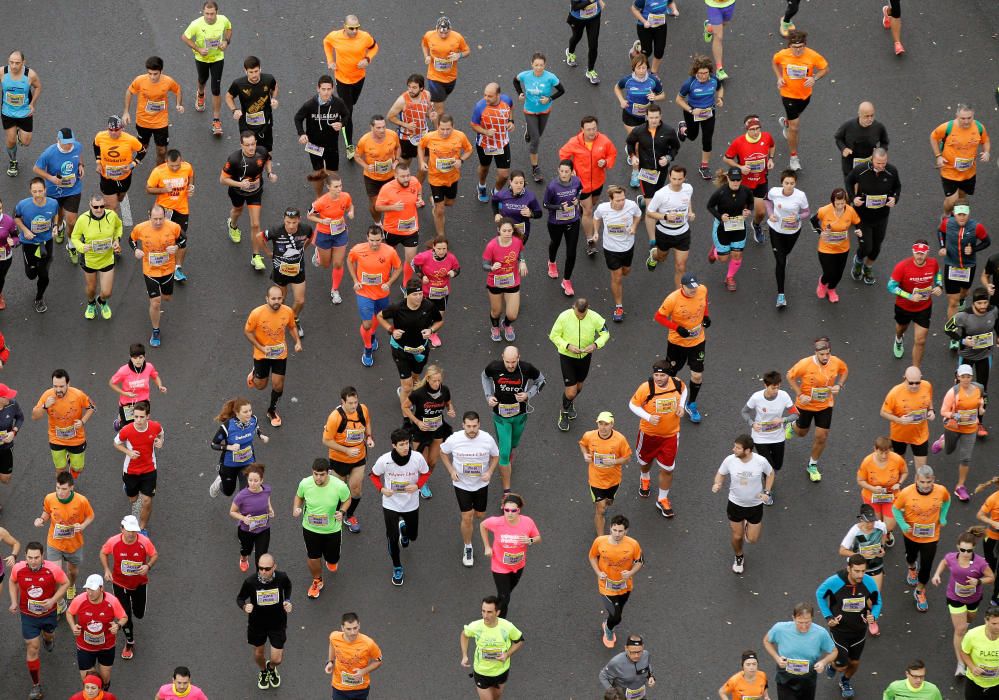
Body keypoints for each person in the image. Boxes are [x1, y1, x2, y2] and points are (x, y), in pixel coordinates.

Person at [8, 541, 69, 700]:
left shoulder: (53, 569)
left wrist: (53, 600)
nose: (33, 561)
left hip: (48, 614)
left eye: (36, 557)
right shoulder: (18, 568)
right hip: (28, 615)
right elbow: (12, 581)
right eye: (30, 557)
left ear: (43, 556)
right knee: (32, 646)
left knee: (48, 635)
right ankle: (36, 685)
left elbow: (65, 583)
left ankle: (48, 638)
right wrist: (14, 601)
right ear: (25, 556)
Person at [815, 554, 882, 698]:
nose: (860, 575)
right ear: (849, 569)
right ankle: (833, 664)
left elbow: (878, 602)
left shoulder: (868, 582)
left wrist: (874, 616)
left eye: (863, 571)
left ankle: (845, 681)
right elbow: (819, 594)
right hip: (839, 631)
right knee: (842, 665)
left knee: (855, 663)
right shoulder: (835, 582)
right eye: (857, 571)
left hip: (859, 632)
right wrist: (828, 616)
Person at [370, 429, 430, 586]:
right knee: (392, 537)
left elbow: (425, 473)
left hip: (411, 503)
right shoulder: (385, 460)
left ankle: (405, 530)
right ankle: (397, 566)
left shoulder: (417, 458)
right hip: (390, 503)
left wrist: (417, 485)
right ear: (394, 445)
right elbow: (373, 475)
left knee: (413, 536)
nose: (405, 447)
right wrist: (382, 490)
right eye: (401, 444)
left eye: (407, 444)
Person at [932, 529, 995, 678]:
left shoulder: (980, 563)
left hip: (973, 599)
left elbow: (991, 577)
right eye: (963, 549)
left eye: (969, 550)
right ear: (957, 547)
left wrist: (978, 581)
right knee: (960, 629)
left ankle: (963, 633)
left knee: (968, 622)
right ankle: (961, 663)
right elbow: (944, 562)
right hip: (954, 597)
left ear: (973, 548)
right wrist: (936, 575)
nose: (965, 553)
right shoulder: (952, 557)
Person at [481, 346, 545, 492]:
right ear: (502, 357)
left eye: (513, 362)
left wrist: (529, 394)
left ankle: (510, 452)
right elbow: (484, 376)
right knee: (503, 453)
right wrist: (488, 395)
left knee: (513, 445)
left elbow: (542, 380)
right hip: (500, 417)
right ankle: (506, 492)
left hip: (520, 416)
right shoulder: (494, 367)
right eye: (507, 362)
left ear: (518, 358)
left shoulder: (526, 368)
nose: (510, 365)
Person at [441, 411, 499, 567]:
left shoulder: (487, 439)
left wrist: (490, 472)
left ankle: (473, 517)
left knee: (480, 515)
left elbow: (495, 456)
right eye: (468, 426)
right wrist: (451, 471)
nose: (472, 429)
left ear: (479, 424)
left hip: (481, 484)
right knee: (467, 517)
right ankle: (468, 547)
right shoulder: (454, 439)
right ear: (463, 425)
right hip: (462, 484)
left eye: (474, 426)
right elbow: (443, 452)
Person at [629, 360, 687, 518]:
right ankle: (645, 477)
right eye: (656, 375)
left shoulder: (676, 383)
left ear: (669, 375)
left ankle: (662, 499)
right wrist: (647, 417)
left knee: (668, 469)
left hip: (671, 435)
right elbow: (633, 405)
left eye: (662, 375)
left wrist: (681, 406)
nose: (659, 378)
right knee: (645, 462)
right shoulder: (646, 388)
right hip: (648, 435)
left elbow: (685, 390)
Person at [786, 337, 849, 482]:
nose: (825, 357)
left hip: (825, 405)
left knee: (822, 436)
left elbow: (844, 371)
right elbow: (790, 376)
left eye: (828, 353)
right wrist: (800, 394)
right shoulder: (805, 364)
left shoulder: (836, 361)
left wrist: (839, 385)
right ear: (815, 353)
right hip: (805, 405)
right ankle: (792, 426)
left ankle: (812, 465)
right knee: (802, 432)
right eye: (822, 355)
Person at [713, 435, 775, 574]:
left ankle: (747, 525)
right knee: (737, 536)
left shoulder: (760, 461)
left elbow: (770, 474)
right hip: (735, 504)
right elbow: (720, 474)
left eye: (737, 448)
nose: (733, 449)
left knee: (752, 540)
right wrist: (718, 483)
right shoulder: (730, 460)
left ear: (747, 451)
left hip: (755, 505)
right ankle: (739, 556)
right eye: (734, 446)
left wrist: (767, 491)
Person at [378, 279, 443, 411]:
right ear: (407, 294)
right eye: (415, 295)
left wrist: (431, 330)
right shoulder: (397, 308)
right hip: (400, 350)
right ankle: (406, 416)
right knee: (408, 386)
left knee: (415, 379)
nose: (418, 298)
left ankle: (407, 390)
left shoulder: (428, 306)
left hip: (420, 350)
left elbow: (439, 321)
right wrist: (391, 330)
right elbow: (379, 316)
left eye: (420, 294)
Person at [98, 515, 157, 660]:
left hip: (139, 584)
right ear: (122, 529)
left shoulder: (144, 541)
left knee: (139, 614)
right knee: (125, 615)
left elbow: (154, 554)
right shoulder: (114, 541)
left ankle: (132, 610)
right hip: (119, 583)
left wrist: (147, 566)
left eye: (134, 531)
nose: (131, 534)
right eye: (128, 530)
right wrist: (106, 569)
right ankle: (129, 642)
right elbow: (103, 553)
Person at [894, 465, 950, 612]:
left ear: (933, 480)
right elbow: (895, 509)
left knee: (927, 565)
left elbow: (947, 501)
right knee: (911, 557)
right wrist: (903, 524)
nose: (926, 485)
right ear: (916, 480)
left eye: (928, 482)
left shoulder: (941, 490)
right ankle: (912, 568)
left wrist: (942, 517)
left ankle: (920, 590)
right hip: (911, 534)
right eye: (922, 482)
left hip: (931, 536)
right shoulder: (906, 493)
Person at [243, 285, 301, 427]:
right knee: (260, 385)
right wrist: (261, 347)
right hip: (262, 354)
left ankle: (272, 410)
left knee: (278, 385)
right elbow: (248, 332)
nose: (277, 301)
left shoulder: (287, 311)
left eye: (279, 298)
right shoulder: (257, 313)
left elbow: (292, 326)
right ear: (267, 299)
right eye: (273, 298)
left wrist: (297, 342)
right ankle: (255, 373)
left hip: (280, 353)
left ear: (283, 298)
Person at [654, 272, 709, 422]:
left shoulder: (702, 290)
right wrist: (677, 328)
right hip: (677, 343)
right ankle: (667, 400)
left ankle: (691, 404)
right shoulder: (673, 299)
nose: (694, 290)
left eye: (695, 287)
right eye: (690, 288)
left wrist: (705, 316)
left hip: (697, 341)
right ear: (681, 286)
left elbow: (704, 302)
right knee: (671, 373)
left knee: (697, 375)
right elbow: (658, 317)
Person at [294, 458, 351, 600]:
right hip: (310, 528)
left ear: (328, 473)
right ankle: (317, 580)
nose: (318, 478)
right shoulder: (305, 483)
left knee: (332, 560)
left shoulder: (339, 486)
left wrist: (342, 512)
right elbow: (299, 496)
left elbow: (347, 499)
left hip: (332, 530)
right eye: (315, 474)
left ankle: (331, 560)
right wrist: (296, 507)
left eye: (322, 474)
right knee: (313, 557)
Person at [771, 31, 829, 171]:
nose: (798, 50)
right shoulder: (782, 54)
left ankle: (786, 123)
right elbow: (775, 63)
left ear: (805, 45)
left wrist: (814, 78)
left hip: (805, 95)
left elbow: (825, 69)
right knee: (795, 127)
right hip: (788, 94)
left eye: (801, 46)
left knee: (793, 121)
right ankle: (794, 157)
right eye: (795, 47)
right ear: (789, 45)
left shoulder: (812, 55)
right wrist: (779, 77)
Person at [550, 298, 610, 431]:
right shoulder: (564, 316)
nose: (580, 317)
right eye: (578, 315)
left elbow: (605, 333)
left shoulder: (595, 317)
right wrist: (567, 345)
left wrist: (595, 345)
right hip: (567, 356)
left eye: (583, 315)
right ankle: (564, 412)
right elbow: (554, 336)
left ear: (588, 308)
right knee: (571, 392)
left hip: (585, 356)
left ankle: (569, 403)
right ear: (573, 307)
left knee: (579, 387)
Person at [559, 116, 617, 252]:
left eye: (594, 129)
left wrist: (606, 162)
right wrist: (570, 169)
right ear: (582, 130)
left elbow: (612, 154)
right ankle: (590, 241)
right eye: (589, 129)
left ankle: (579, 209)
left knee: (593, 203)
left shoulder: (604, 140)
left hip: (598, 182)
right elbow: (563, 154)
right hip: (582, 184)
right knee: (588, 211)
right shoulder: (574, 142)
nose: (592, 132)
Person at [322, 15, 378, 155]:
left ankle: (340, 110)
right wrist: (330, 60)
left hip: (359, 78)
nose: (354, 31)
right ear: (344, 26)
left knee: (352, 103)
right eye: (351, 28)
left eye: (357, 28)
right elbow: (326, 42)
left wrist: (367, 59)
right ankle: (349, 146)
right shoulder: (335, 36)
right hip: (342, 80)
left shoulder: (364, 37)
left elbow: (374, 47)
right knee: (348, 112)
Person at [220, 130, 276, 269]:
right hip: (237, 192)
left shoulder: (261, 151)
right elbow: (223, 180)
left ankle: (255, 256)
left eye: (253, 144)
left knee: (255, 224)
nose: (251, 148)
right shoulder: (234, 159)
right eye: (247, 145)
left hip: (255, 192)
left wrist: (269, 173)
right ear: (241, 145)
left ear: (256, 142)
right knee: (237, 211)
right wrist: (240, 184)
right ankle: (232, 225)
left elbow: (268, 159)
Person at [846, 148, 902, 286]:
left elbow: (897, 187)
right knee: (866, 247)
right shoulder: (861, 170)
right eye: (878, 163)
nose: (881, 166)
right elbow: (849, 181)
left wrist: (895, 198)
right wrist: (853, 198)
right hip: (862, 216)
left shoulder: (891, 171)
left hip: (881, 216)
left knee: (876, 247)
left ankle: (868, 267)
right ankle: (858, 261)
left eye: (884, 163)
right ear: (872, 159)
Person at [236, 552, 291, 690]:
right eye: (260, 568)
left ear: (274, 567)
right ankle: (264, 671)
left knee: (277, 659)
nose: (263, 571)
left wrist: (287, 600)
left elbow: (288, 587)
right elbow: (240, 598)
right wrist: (244, 606)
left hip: (277, 623)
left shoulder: (282, 577)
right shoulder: (250, 581)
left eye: (267, 568)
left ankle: (271, 667)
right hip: (257, 624)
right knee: (259, 654)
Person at [348, 225, 401, 366]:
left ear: (382, 238)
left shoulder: (390, 252)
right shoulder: (358, 249)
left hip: (382, 293)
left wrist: (389, 283)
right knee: (367, 324)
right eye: (372, 240)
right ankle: (368, 349)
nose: (375, 243)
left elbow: (398, 267)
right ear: (367, 238)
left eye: (377, 240)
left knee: (379, 317)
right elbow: (350, 260)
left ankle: (372, 335)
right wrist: (355, 280)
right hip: (364, 292)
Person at [322, 387, 373, 534]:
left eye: (355, 402)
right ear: (342, 402)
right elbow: (326, 440)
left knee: (355, 489)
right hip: (339, 459)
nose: (353, 406)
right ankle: (336, 513)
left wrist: (369, 437)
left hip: (359, 458)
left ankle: (349, 515)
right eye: (350, 403)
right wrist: (346, 450)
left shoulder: (363, 410)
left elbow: (367, 423)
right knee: (339, 490)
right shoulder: (335, 417)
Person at [130, 206, 182, 347]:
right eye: (155, 219)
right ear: (149, 216)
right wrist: (136, 250)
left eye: (161, 219)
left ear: (165, 216)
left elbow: (183, 239)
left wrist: (176, 247)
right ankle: (156, 330)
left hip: (167, 269)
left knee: (167, 297)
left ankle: (158, 294)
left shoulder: (174, 227)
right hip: (150, 270)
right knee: (156, 302)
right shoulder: (141, 228)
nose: (158, 222)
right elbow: (131, 239)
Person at [481, 493, 540, 618]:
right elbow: (483, 525)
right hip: (499, 566)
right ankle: (499, 624)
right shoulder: (497, 522)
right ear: (503, 508)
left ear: (519, 510)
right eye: (507, 510)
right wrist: (487, 546)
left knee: (504, 594)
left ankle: (493, 608)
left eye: (514, 510)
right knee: (505, 598)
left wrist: (529, 541)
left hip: (518, 566)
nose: (510, 513)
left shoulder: (527, 522)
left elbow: (538, 538)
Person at [762, 603, 837, 700]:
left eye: (807, 622)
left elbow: (834, 652)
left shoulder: (820, 633)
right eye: (800, 622)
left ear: (812, 618)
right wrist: (777, 658)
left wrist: (823, 662)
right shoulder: (780, 628)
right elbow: (766, 641)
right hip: (785, 677)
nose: (804, 626)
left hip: (808, 678)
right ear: (793, 618)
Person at [589, 514, 643, 648]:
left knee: (619, 610)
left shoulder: (633, 544)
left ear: (626, 531)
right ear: (610, 528)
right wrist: (598, 572)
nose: (617, 534)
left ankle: (609, 622)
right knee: (616, 616)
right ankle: (608, 629)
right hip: (606, 585)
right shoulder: (600, 541)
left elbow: (640, 561)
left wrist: (630, 572)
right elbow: (592, 557)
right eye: (614, 530)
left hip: (625, 585)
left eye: (620, 531)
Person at [402, 364, 456, 498]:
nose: (437, 383)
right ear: (428, 379)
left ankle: (423, 481)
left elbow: (448, 402)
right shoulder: (418, 393)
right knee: (421, 461)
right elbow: (405, 407)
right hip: (421, 430)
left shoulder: (444, 390)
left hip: (438, 429)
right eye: (434, 381)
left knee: (432, 462)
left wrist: (450, 409)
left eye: (439, 381)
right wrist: (417, 422)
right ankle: (418, 481)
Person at [938, 204, 991, 340]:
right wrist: (943, 246)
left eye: (964, 215)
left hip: (968, 266)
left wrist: (973, 249)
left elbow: (986, 241)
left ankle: (962, 300)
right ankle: (953, 333)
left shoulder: (976, 227)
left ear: (968, 214)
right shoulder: (947, 223)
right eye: (959, 214)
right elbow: (940, 232)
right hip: (951, 265)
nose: (961, 217)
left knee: (964, 293)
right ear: (954, 214)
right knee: (952, 302)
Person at [66, 574, 128, 689]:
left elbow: (124, 617)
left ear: (101, 588)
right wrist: (73, 626)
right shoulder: (79, 600)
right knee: (89, 683)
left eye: (93, 589)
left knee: (104, 681)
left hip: (106, 647)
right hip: (85, 647)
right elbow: (69, 613)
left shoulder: (112, 601)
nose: (89, 592)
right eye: (87, 588)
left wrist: (118, 626)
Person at [181, 0, 232, 136]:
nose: (209, 16)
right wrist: (198, 48)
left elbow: (229, 29)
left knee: (216, 89)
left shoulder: (223, 20)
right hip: (202, 58)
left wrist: (226, 41)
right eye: (207, 14)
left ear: (217, 12)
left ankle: (216, 120)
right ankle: (201, 94)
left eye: (212, 14)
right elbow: (185, 37)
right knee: (202, 80)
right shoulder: (196, 24)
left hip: (217, 58)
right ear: (203, 12)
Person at [614, 54, 665, 190]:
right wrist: (621, 101)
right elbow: (617, 88)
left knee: (645, 142)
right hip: (630, 115)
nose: (642, 71)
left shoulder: (653, 80)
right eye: (639, 68)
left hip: (647, 117)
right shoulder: (628, 80)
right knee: (638, 144)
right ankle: (635, 173)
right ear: (634, 68)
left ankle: (630, 150)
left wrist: (655, 96)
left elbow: (663, 95)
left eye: (644, 68)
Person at [419, 114, 474, 237]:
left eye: (448, 129)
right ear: (437, 126)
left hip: (452, 177)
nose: (445, 132)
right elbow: (420, 146)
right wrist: (422, 162)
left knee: (449, 203)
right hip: (435, 178)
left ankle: (434, 200)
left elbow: (469, 149)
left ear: (453, 127)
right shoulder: (429, 137)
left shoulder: (460, 136)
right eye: (442, 129)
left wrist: (461, 160)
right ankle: (441, 236)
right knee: (440, 210)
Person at [889, 241, 943, 367]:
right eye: (917, 253)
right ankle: (898, 339)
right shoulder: (902, 266)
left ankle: (915, 370)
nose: (919, 256)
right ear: (913, 252)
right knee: (901, 328)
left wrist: (939, 285)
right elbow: (891, 286)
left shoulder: (933, 263)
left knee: (920, 340)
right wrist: (909, 296)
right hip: (904, 307)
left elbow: (938, 274)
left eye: (922, 254)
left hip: (923, 307)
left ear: (927, 253)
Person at [579, 411, 632, 538]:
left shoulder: (620, 440)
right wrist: (585, 454)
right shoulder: (589, 435)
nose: (603, 427)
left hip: (613, 480)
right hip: (596, 480)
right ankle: (601, 539)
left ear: (612, 424)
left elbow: (627, 458)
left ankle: (606, 503)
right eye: (600, 423)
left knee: (609, 502)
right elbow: (582, 444)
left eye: (606, 424)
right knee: (600, 509)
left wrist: (614, 461)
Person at [292, 75, 347, 197]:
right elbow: (298, 118)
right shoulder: (310, 105)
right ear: (318, 89)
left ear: (333, 89)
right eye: (323, 89)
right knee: (318, 172)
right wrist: (301, 133)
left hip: (332, 144)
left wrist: (341, 123)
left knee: (332, 172)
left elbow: (346, 115)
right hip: (314, 144)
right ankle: (319, 197)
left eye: (329, 89)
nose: (326, 92)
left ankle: (333, 197)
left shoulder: (339, 103)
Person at [723, 116, 775, 244]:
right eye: (752, 129)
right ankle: (733, 233)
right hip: (744, 184)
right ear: (747, 129)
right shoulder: (738, 142)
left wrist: (771, 159)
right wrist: (740, 167)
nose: (756, 132)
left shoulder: (766, 137)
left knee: (761, 213)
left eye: (758, 128)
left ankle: (756, 225)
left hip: (761, 181)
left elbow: (772, 146)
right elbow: (726, 158)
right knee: (740, 210)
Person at [261, 208, 312, 337]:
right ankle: (279, 319)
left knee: (300, 301)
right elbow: (259, 237)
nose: (290, 225)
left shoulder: (305, 229)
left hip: (298, 270)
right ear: (284, 220)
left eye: (294, 222)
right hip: (280, 271)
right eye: (288, 222)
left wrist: (304, 248)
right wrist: (268, 253)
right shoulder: (276, 230)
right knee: (281, 299)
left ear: (299, 220)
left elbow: (311, 237)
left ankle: (293, 318)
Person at [930, 104, 990, 214]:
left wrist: (986, 152)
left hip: (969, 172)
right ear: (957, 115)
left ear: (973, 115)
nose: (966, 121)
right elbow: (933, 137)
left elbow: (985, 140)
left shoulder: (979, 127)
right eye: (963, 118)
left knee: (961, 198)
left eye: (969, 118)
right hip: (949, 170)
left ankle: (956, 218)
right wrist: (938, 156)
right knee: (952, 200)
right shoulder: (947, 127)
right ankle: (946, 215)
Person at [32, 369, 95, 476]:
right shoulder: (47, 395)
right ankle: (62, 491)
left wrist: (82, 421)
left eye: (61, 386)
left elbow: (92, 407)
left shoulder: (78, 395)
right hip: (56, 438)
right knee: (60, 469)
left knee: (78, 468)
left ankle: (71, 460)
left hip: (76, 439)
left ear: (68, 384)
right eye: (55, 386)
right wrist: (44, 406)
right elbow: (34, 417)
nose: (58, 390)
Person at [122, 56, 183, 165]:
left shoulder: (168, 81)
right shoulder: (140, 80)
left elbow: (177, 89)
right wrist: (126, 112)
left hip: (161, 122)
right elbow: (129, 92)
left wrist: (179, 104)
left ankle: (158, 171)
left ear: (161, 71)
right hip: (143, 121)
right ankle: (135, 159)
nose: (152, 77)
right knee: (142, 147)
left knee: (162, 151)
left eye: (155, 74)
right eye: (150, 73)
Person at [113, 401, 164, 531]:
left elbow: (161, 433)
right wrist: (128, 452)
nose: (138, 420)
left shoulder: (155, 426)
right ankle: (128, 488)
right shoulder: (127, 430)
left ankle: (141, 528)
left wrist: (160, 441)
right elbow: (116, 443)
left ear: (148, 416)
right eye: (135, 417)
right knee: (133, 500)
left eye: (141, 417)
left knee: (146, 500)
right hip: (131, 471)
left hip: (149, 469)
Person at [460, 596, 524, 699]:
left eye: (489, 612)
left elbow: (520, 640)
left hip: (501, 671)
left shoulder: (507, 627)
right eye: (483, 611)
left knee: (496, 698)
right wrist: (464, 655)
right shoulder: (476, 626)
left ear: (497, 612)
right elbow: (464, 635)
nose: (485, 615)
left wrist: (507, 654)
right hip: (481, 672)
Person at [146, 149, 195, 281]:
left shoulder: (187, 167)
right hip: (164, 210)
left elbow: (191, 175)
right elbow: (148, 189)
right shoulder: (158, 171)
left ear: (181, 161)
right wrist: (163, 190)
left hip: (182, 209)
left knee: (182, 239)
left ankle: (177, 268)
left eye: (177, 165)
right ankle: (157, 261)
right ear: (166, 162)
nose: (175, 168)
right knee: (161, 238)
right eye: (171, 165)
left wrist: (191, 186)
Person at [838, 504, 888, 636]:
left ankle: (871, 619)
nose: (871, 524)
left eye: (873, 521)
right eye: (868, 521)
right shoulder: (855, 531)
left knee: (874, 597)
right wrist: (859, 555)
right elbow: (842, 550)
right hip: (858, 569)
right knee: (856, 596)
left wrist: (882, 549)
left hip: (875, 565)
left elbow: (884, 536)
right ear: (861, 519)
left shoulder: (880, 526)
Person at [513, 53, 564, 182]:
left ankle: (530, 130)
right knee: (535, 140)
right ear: (532, 65)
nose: (539, 67)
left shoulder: (550, 77)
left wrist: (549, 98)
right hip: (529, 111)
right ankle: (535, 168)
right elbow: (515, 81)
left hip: (545, 111)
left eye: (541, 65)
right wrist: (520, 93)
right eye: (536, 65)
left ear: (545, 65)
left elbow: (562, 90)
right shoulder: (525, 75)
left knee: (538, 134)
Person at [595, 186, 642, 322]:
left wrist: (634, 226)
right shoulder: (603, 208)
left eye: (623, 199)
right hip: (611, 249)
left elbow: (638, 215)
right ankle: (619, 307)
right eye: (618, 200)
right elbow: (596, 218)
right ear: (610, 199)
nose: (621, 203)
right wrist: (596, 232)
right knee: (618, 277)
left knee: (626, 271)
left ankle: (624, 270)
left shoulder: (631, 205)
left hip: (628, 246)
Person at [70, 195, 122, 319]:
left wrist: (117, 239)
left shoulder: (111, 215)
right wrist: (81, 247)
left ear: (104, 205)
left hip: (107, 258)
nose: (99, 209)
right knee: (91, 289)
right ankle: (91, 303)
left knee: (107, 292)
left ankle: (102, 301)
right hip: (90, 260)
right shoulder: (83, 219)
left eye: (101, 206)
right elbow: (75, 237)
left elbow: (119, 226)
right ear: (90, 205)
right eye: (95, 207)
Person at [765, 169, 810, 308]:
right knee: (780, 261)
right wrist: (770, 213)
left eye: (792, 183)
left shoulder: (800, 196)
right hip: (776, 229)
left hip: (793, 231)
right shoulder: (774, 191)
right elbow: (766, 200)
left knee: (785, 254)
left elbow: (807, 212)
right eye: (786, 183)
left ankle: (783, 257)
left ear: (795, 183)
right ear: (782, 183)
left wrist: (797, 217)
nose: (789, 186)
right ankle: (781, 295)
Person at [32, 127, 83, 246]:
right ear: (58, 140)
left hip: (73, 189)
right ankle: (60, 227)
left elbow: (79, 154)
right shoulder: (49, 153)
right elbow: (36, 168)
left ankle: (71, 243)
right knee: (59, 216)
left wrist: (81, 165)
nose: (69, 145)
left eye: (71, 142)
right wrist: (51, 178)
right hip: (54, 191)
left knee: (72, 220)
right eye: (66, 143)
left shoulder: (77, 146)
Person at [14, 176, 59, 312]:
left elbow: (55, 215)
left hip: (46, 242)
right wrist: (25, 230)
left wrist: (55, 226)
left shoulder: (53, 203)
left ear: (45, 190)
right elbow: (16, 218)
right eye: (34, 191)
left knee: (44, 275)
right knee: (31, 275)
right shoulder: (23, 205)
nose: (38, 194)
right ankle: (32, 267)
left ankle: (39, 298)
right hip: (29, 243)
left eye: (40, 191)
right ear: (30, 191)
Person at [675, 55, 723, 180]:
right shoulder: (689, 83)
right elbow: (678, 99)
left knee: (707, 139)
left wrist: (719, 98)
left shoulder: (714, 79)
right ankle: (683, 129)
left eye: (706, 73)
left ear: (709, 71)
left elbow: (720, 88)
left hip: (709, 113)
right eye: (700, 73)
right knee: (692, 136)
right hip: (692, 113)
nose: (703, 76)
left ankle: (704, 166)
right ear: (696, 72)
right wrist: (691, 110)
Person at [307, 173, 354, 303]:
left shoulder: (345, 197)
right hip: (324, 234)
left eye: (340, 186)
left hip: (340, 232)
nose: (339, 189)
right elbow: (309, 216)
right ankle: (318, 254)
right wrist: (322, 221)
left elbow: (350, 206)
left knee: (338, 263)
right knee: (325, 264)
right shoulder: (320, 202)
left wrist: (351, 212)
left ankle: (335, 290)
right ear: (328, 187)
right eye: (336, 186)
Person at [644, 164, 693, 288]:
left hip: (683, 233)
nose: (676, 182)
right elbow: (649, 213)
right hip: (664, 233)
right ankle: (653, 255)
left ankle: (679, 296)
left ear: (685, 178)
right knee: (662, 257)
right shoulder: (661, 194)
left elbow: (687, 200)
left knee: (681, 267)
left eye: (680, 179)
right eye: (674, 179)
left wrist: (690, 212)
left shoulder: (688, 188)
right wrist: (665, 217)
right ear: (669, 177)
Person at [209, 397, 268, 499]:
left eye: (250, 410)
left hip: (248, 462)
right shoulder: (227, 426)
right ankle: (219, 483)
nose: (249, 414)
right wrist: (229, 447)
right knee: (228, 492)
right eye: (245, 412)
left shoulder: (253, 420)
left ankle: (244, 513)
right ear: (237, 413)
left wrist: (261, 435)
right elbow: (214, 444)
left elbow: (256, 427)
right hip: (229, 464)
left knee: (246, 493)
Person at [375, 163, 424, 287]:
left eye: (408, 175)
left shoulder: (414, 181)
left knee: (410, 259)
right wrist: (393, 207)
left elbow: (419, 190)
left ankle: (405, 284)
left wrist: (419, 199)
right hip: (392, 230)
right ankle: (391, 268)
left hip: (411, 230)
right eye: (403, 176)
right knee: (391, 255)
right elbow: (377, 207)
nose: (406, 179)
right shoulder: (387, 188)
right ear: (395, 175)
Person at [705, 167, 753, 291]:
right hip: (722, 228)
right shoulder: (720, 192)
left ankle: (730, 277)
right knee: (723, 259)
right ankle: (715, 252)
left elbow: (750, 203)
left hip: (739, 226)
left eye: (738, 180)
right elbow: (709, 206)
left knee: (737, 255)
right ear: (728, 178)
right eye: (733, 180)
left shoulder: (746, 191)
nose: (736, 182)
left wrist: (748, 210)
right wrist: (720, 217)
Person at [742, 371, 795, 481]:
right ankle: (767, 490)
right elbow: (744, 411)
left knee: (778, 465)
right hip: (760, 437)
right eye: (773, 388)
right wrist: (752, 423)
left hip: (778, 436)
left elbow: (796, 414)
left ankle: (769, 474)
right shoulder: (756, 397)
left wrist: (783, 419)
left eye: (778, 387)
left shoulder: (784, 396)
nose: (776, 391)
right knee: (769, 468)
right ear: (765, 385)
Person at [946, 289, 997, 405]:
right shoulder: (963, 316)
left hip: (985, 355)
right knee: (961, 385)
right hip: (966, 356)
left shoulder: (993, 311)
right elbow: (947, 328)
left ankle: (979, 420)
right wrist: (962, 340)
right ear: (973, 303)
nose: (983, 306)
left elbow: (997, 322)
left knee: (982, 387)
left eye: (985, 302)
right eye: (979, 303)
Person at [627, 104, 680, 212]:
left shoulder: (668, 131)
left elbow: (675, 147)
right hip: (645, 169)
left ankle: (642, 201)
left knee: (657, 193)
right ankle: (652, 219)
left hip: (662, 170)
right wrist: (632, 156)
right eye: (651, 117)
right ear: (646, 117)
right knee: (651, 208)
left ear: (660, 116)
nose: (654, 120)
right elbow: (629, 143)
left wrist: (668, 158)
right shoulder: (639, 130)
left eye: (656, 117)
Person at [811, 187, 860, 303]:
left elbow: (858, 222)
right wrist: (821, 232)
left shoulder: (850, 211)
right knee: (829, 273)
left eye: (842, 203)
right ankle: (822, 284)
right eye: (837, 203)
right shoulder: (824, 210)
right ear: (833, 201)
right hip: (826, 248)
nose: (840, 206)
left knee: (838, 274)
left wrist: (859, 231)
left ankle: (831, 289)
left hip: (843, 248)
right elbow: (813, 220)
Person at [856, 436, 906, 547]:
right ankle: (879, 538)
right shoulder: (867, 462)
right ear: (875, 449)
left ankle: (887, 533)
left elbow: (904, 472)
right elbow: (860, 480)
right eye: (881, 453)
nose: (884, 456)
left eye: (886, 453)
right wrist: (872, 488)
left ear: (890, 450)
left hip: (891, 496)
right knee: (876, 524)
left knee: (889, 526)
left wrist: (899, 483)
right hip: (872, 496)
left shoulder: (897, 459)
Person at [880, 366, 934, 469]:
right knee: (899, 466)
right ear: (904, 378)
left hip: (920, 435)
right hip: (899, 436)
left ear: (921, 378)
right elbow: (883, 412)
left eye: (917, 382)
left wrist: (931, 410)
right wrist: (899, 420)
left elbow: (929, 398)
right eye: (911, 383)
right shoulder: (895, 393)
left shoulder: (927, 386)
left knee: (921, 470)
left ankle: (916, 485)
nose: (914, 386)